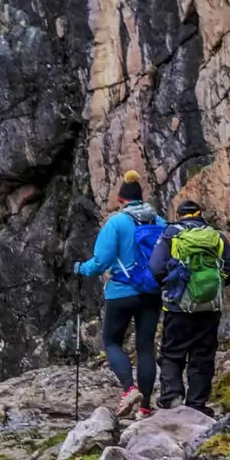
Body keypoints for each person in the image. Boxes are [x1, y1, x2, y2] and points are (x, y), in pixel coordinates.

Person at [76, 172, 166, 418]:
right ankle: (146, 406)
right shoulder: (159, 221)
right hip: (152, 291)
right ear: (141, 198)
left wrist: (80, 268)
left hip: (121, 292)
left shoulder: (116, 223)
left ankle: (129, 389)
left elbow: (100, 262)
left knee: (112, 342)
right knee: (146, 346)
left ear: (120, 199)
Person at [149, 200, 230, 416]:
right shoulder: (216, 236)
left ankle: (172, 398)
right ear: (200, 215)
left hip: (177, 307)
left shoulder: (171, 234)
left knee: (172, 353)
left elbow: (155, 267)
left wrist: (175, 286)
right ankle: (197, 404)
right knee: (203, 355)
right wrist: (210, 288)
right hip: (210, 308)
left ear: (180, 215)